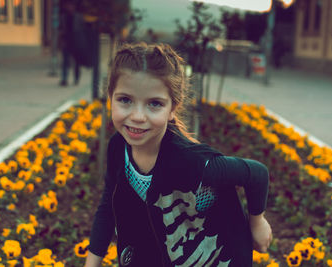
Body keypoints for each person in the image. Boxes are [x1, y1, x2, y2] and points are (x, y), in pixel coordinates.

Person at [85, 42, 272, 267]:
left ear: (172, 108)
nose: (137, 116)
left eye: (154, 104)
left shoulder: (192, 163)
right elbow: (108, 206)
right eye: (125, 100)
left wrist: (257, 222)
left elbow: (256, 173)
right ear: (110, 97)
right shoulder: (118, 147)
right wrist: (92, 262)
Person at [58, 0, 80, 86]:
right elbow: (60, 30)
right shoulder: (63, 17)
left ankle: (76, 78)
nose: (70, 7)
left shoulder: (78, 17)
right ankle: (64, 79)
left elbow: (80, 30)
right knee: (65, 62)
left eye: (71, 5)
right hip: (66, 42)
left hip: (76, 43)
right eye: (68, 5)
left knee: (76, 62)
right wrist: (61, 41)